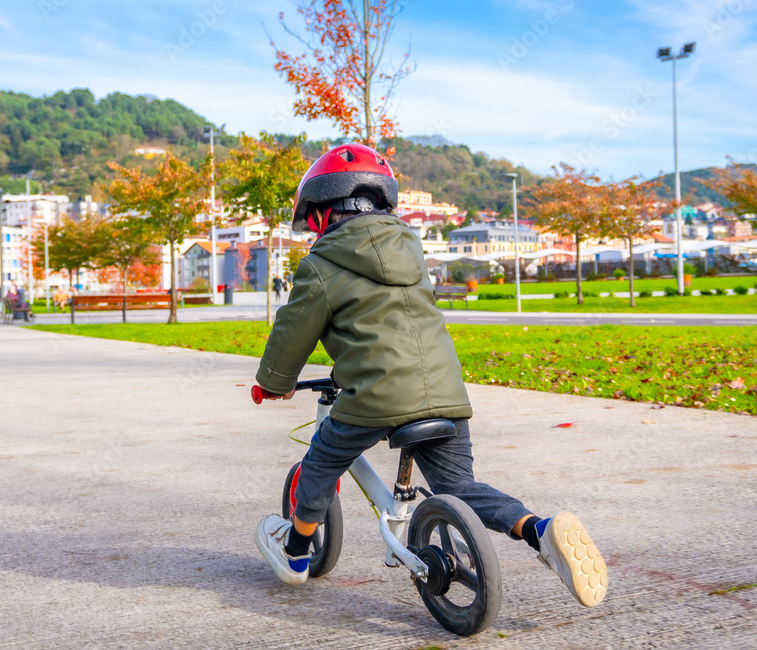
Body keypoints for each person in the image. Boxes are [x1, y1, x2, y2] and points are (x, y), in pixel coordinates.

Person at [253, 143, 607, 608]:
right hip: (445, 391)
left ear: (321, 212)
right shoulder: (412, 252)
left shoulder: (320, 266)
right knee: (460, 488)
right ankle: (537, 529)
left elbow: (292, 332)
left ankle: (297, 553)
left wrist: (274, 383)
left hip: (375, 399)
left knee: (320, 462)